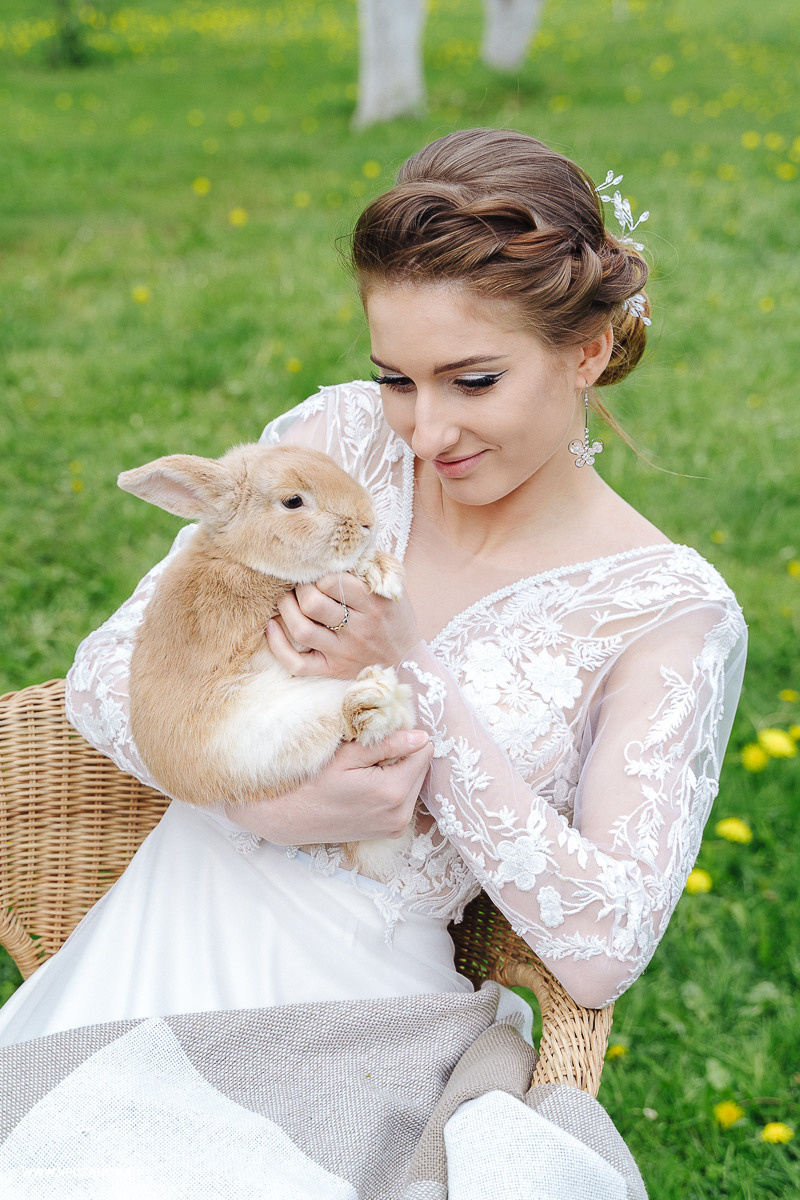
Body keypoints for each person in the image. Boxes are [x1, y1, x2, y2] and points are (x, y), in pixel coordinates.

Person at [0, 129, 746, 1190]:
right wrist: (257, 803)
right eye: (396, 377)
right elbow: (104, 675)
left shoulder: (661, 610)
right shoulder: (339, 447)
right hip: (157, 932)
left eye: (472, 380)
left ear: (587, 351)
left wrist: (417, 680)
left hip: (360, 1007)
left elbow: (599, 945)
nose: (425, 429)